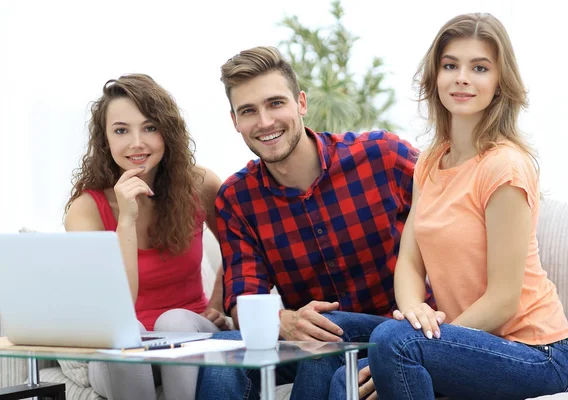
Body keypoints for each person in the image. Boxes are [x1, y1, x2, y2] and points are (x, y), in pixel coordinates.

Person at [330, 12, 568, 400]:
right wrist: (417, 312)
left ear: (500, 83)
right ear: (435, 77)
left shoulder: (504, 168)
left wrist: (432, 343)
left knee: (394, 344)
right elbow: (410, 262)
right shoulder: (431, 162)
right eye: (450, 65)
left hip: (540, 355)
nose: (462, 77)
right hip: (469, 340)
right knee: (341, 361)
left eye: (479, 67)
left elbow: (503, 300)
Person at [194, 46, 432, 400]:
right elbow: (246, 298)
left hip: (396, 332)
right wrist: (282, 321)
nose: (264, 121)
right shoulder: (237, 198)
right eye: (248, 111)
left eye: (275, 103)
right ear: (235, 122)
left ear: (300, 103)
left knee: (323, 342)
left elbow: (456, 218)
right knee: (220, 353)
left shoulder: (382, 156)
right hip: (312, 337)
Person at [64, 73, 229, 400]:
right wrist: (126, 220)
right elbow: (118, 307)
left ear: (167, 132)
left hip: (191, 336)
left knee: (175, 322)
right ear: (105, 139)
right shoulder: (85, 210)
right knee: (128, 330)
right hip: (122, 350)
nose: (136, 142)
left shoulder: (201, 185)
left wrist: (218, 302)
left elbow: (243, 248)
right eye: (121, 130)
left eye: (150, 127)